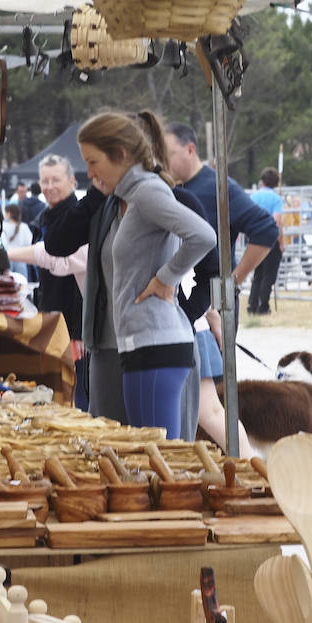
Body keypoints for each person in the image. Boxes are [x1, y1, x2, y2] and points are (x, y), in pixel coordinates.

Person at [43, 115, 221, 428]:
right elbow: (57, 243)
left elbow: (208, 251)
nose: (90, 172)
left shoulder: (156, 194)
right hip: (116, 345)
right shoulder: (110, 204)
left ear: (123, 154)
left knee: (158, 452)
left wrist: (173, 295)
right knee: (128, 452)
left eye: (94, 161)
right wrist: (100, 193)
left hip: (154, 340)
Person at [164, 122, 279, 448]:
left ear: (190, 149)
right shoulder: (173, 190)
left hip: (209, 306)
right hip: (185, 308)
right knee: (197, 406)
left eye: (169, 153)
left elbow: (266, 230)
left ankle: (244, 467)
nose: (165, 161)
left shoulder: (218, 187)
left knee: (209, 406)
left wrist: (232, 282)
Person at [33, 154, 90, 409]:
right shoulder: (42, 219)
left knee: (77, 389)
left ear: (71, 181)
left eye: (56, 180)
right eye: (45, 181)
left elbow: (66, 265)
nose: (50, 186)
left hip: (76, 324)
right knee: (57, 387)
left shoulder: (80, 216)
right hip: (51, 317)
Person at [248, 167, 285, 314]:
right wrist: (280, 241)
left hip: (255, 238)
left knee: (258, 273)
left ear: (262, 181)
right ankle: (263, 306)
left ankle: (252, 305)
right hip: (270, 239)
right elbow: (277, 220)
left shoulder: (254, 196)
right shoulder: (276, 199)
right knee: (269, 274)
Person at [3, 204, 34, 276]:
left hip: (7, 258)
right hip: (21, 258)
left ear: (8, 213)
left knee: (7, 283)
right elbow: (30, 242)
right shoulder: (24, 226)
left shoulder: (3, 226)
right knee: (22, 283)